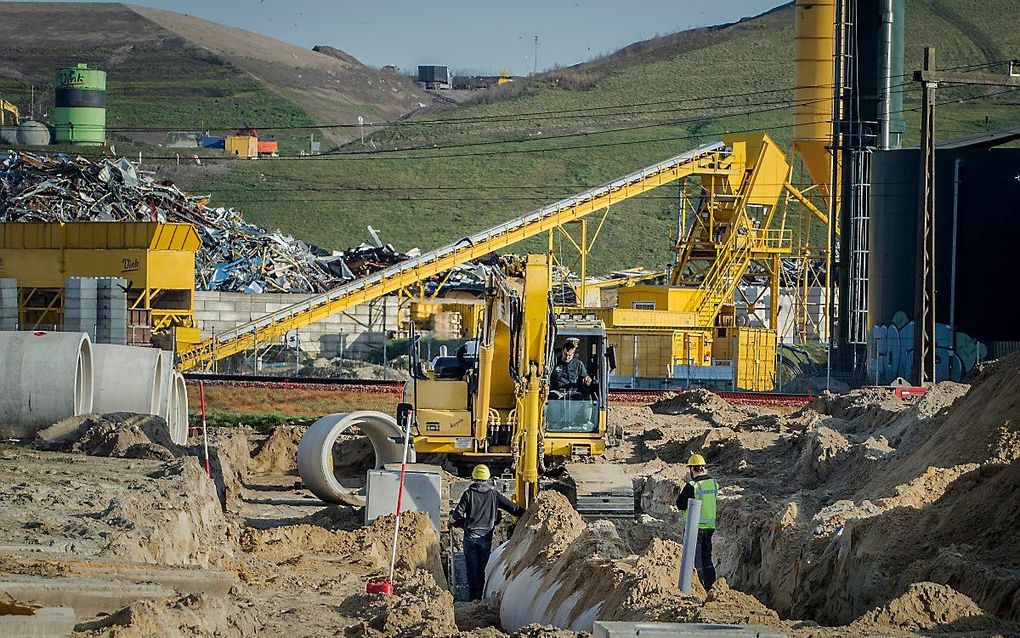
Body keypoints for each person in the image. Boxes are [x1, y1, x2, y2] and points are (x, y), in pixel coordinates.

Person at [450, 464, 525, 600]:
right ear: (488, 477)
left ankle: (473, 600)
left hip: (471, 537)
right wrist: (527, 513)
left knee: (472, 571)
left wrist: (452, 520)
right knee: (481, 571)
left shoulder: (468, 494)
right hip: (486, 537)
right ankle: (480, 599)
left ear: (473, 477)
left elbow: (457, 515)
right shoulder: (494, 494)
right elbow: (513, 508)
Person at [676, 453, 718, 590]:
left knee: (696, 560)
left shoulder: (692, 486)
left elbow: (681, 505)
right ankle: (711, 586)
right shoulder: (713, 483)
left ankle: (700, 587)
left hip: (695, 528)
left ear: (693, 469)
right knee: (707, 558)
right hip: (710, 527)